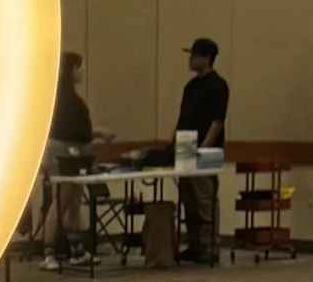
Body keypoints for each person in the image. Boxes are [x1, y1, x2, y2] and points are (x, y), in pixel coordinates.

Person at [112, 38, 230, 260]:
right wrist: (172, 140)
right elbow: (183, 117)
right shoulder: (191, 86)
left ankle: (209, 247)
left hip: (205, 151)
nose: (190, 59)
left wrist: (203, 148)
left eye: (194, 55)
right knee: (189, 198)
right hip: (183, 148)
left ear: (206, 58)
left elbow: (217, 121)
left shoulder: (218, 85)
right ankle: (195, 245)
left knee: (205, 199)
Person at [34, 50, 99, 268]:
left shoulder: (72, 98)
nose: (81, 72)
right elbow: (65, 129)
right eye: (78, 67)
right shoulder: (59, 98)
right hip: (63, 154)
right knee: (60, 200)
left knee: (74, 201)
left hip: (79, 154)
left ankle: (77, 250)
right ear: (70, 70)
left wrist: (95, 134)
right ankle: (49, 253)